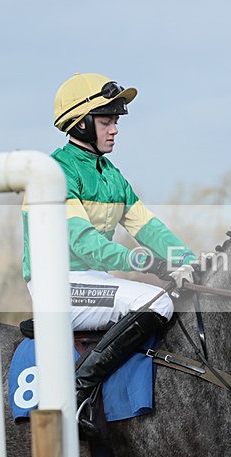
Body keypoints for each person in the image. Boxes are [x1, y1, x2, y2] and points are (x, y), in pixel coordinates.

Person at [22, 73, 196, 430]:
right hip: (57, 285)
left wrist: (191, 261)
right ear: (81, 123)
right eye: (106, 121)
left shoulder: (112, 175)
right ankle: (76, 392)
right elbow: (84, 241)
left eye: (115, 121)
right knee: (157, 302)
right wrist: (143, 261)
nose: (115, 129)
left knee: (175, 299)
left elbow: (149, 228)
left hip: (93, 281)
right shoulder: (56, 171)